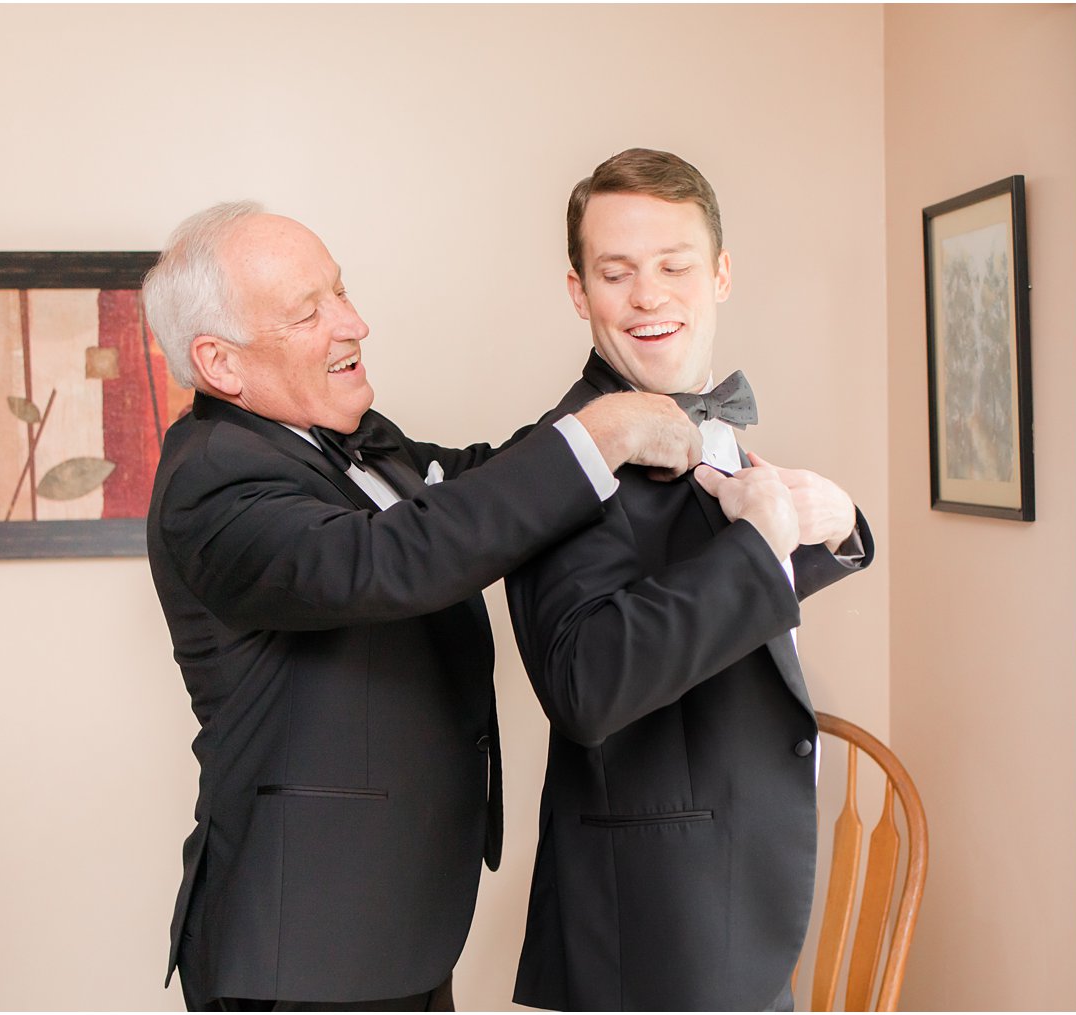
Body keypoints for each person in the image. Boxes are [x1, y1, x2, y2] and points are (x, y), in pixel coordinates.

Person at [142, 201, 702, 1011]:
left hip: (387, 926)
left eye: (341, 291)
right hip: (302, 949)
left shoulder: (350, 436)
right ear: (220, 365)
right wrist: (602, 436)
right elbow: (387, 562)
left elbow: (480, 483)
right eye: (311, 312)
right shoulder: (212, 479)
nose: (354, 322)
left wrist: (608, 396)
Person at [506, 149, 874, 1011]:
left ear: (720, 274)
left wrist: (839, 526)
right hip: (658, 922)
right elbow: (589, 680)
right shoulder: (558, 461)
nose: (649, 296)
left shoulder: (707, 422)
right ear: (578, 292)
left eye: (674, 266)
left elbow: (698, 584)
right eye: (617, 272)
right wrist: (758, 542)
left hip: (741, 899)